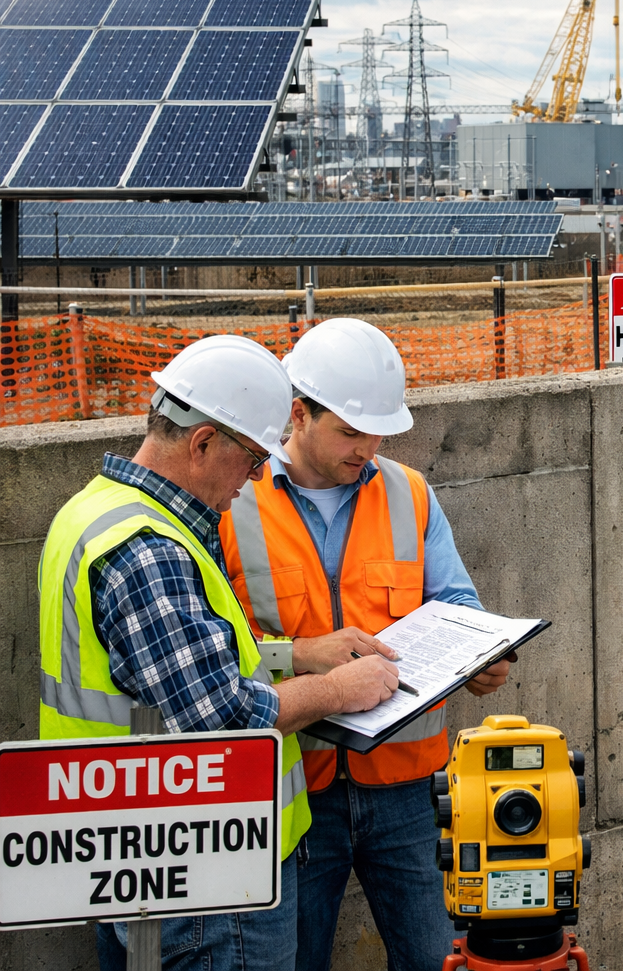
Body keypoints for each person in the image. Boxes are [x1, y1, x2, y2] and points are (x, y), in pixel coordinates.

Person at [38, 335, 400, 971]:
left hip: (137, 855)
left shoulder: (95, 512)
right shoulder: (148, 550)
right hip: (206, 874)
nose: (257, 477)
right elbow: (224, 719)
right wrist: (342, 690)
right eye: (252, 459)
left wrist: (299, 654)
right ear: (203, 443)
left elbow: (177, 671)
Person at [218, 319, 513, 971]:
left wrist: (479, 657)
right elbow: (226, 655)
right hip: (294, 792)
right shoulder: (233, 505)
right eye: (351, 431)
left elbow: (456, 603)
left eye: (379, 430)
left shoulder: (409, 493)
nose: (368, 447)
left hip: (405, 791)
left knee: (436, 960)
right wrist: (303, 653)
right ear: (298, 413)